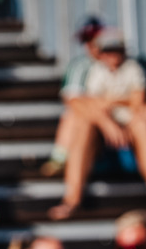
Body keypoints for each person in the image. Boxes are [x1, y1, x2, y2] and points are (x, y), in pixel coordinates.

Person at [49, 28, 146, 220]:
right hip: (108, 122)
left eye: (116, 50)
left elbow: (134, 104)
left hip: (125, 119)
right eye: (107, 51)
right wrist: (110, 119)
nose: (112, 56)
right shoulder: (95, 70)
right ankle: (71, 199)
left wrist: (109, 106)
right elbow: (90, 104)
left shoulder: (133, 68)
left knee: (142, 126)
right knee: (83, 126)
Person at [39, 15, 104, 178]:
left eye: (96, 38)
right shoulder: (80, 65)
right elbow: (72, 100)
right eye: (87, 39)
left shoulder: (117, 62)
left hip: (112, 120)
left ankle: (60, 160)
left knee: (74, 117)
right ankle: (64, 166)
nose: (92, 44)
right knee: (76, 117)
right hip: (96, 120)